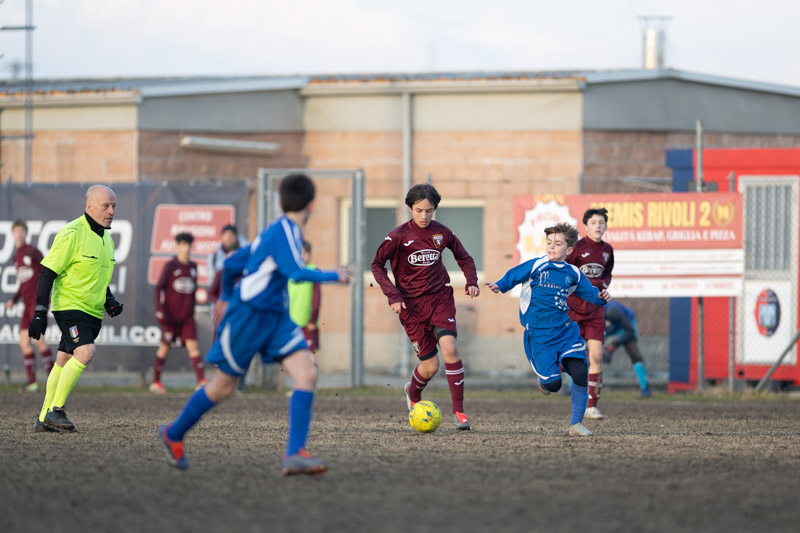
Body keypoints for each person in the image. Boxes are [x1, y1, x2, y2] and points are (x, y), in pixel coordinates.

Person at [158, 173, 350, 475]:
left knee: (307, 374)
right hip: (248, 317)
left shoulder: (278, 230)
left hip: (275, 318)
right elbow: (295, 272)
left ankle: (294, 453)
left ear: (280, 202)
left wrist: (224, 295)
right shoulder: (283, 232)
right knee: (223, 387)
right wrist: (333, 275)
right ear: (312, 204)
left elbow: (231, 263)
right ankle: (174, 433)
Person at [371, 183, 479, 431]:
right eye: (419, 210)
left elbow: (464, 257)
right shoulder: (398, 236)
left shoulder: (442, 233)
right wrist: (393, 295)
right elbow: (377, 265)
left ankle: (459, 412)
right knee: (431, 367)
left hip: (439, 299)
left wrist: (471, 281)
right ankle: (412, 392)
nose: (424, 216)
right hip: (411, 307)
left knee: (450, 347)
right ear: (410, 208)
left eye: (429, 210)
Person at [487, 222, 610, 436]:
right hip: (539, 337)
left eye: (557, 243)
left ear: (568, 250)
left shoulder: (573, 273)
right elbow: (514, 275)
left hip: (565, 332)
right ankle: (545, 383)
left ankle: (576, 425)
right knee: (554, 385)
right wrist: (500, 285)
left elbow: (591, 294)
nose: (551, 247)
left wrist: (601, 297)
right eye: (549, 242)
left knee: (581, 373)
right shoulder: (537, 266)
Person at [28, 185, 124, 432]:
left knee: (64, 358)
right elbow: (47, 272)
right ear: (89, 206)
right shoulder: (72, 233)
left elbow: (98, 276)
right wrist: (39, 312)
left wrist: (109, 299)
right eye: (106, 206)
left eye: (113, 206)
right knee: (85, 352)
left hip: (92, 311)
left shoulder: (107, 239)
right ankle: (56, 411)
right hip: (70, 307)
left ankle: (43, 418)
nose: (111, 211)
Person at [566, 208, 614, 420]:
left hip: (596, 310)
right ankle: (548, 376)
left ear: (605, 226)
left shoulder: (608, 250)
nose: (598, 226)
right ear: (585, 226)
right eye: (593, 222)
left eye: (601, 222)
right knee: (567, 355)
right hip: (574, 309)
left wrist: (603, 285)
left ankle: (591, 406)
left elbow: (607, 274)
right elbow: (565, 271)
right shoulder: (577, 248)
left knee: (596, 356)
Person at [150, 232, 204, 394]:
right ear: (178, 246)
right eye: (183, 244)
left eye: (188, 245)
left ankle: (201, 382)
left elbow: (193, 291)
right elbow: (159, 288)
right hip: (170, 316)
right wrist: (159, 309)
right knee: (164, 346)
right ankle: (156, 382)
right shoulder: (171, 266)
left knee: (193, 346)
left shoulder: (193, 267)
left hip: (187, 317)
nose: (186, 248)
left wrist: (191, 310)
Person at [5, 220, 54, 392]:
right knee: (24, 342)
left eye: (22, 231)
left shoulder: (33, 252)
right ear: (13, 234)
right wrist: (13, 300)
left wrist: (45, 298)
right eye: (16, 231)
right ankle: (32, 383)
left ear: (26, 233)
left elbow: (47, 272)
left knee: (39, 341)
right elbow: (23, 283)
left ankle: (53, 381)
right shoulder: (16, 257)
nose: (19, 234)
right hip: (26, 305)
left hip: (37, 303)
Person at [603, 299, 652, 397]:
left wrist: (614, 345)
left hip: (626, 325)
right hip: (608, 328)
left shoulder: (612, 311)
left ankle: (645, 387)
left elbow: (629, 331)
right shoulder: (586, 312)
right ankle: (574, 387)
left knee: (633, 351)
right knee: (584, 350)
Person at [288, 241, 322, 358]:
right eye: (299, 253)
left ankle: (312, 370)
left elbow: (316, 298)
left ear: (309, 255)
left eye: (304, 253)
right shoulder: (290, 272)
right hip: (292, 322)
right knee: (293, 355)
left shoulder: (313, 270)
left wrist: (312, 320)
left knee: (310, 355)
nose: (302, 256)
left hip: (307, 323)